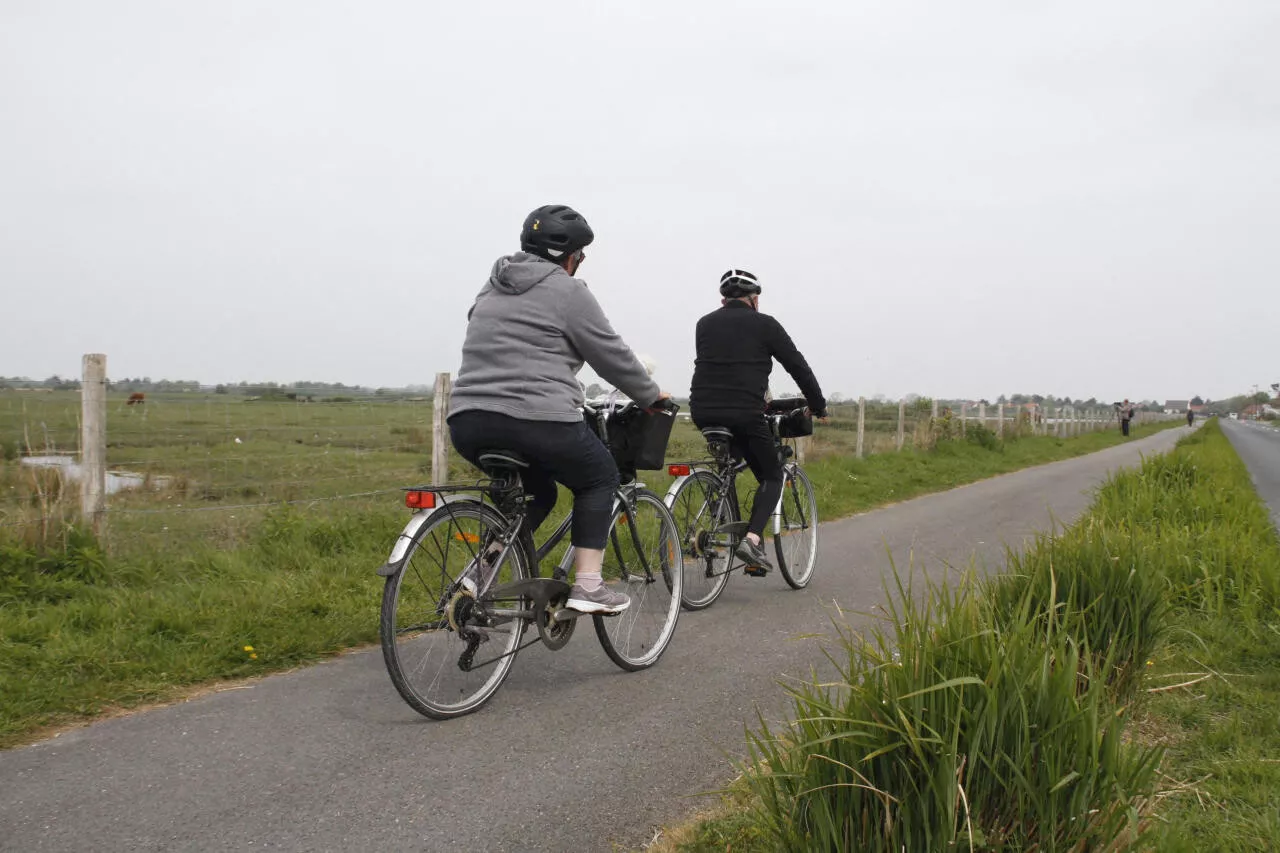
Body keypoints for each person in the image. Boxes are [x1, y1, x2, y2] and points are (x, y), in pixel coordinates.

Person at [448, 204, 670, 614]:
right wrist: (649, 395)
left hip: (467, 419)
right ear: (569, 256)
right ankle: (588, 585)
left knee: (538, 493)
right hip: (536, 418)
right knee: (600, 476)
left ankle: (479, 575)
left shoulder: (491, 287)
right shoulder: (569, 292)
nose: (580, 263)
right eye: (580, 255)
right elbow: (610, 353)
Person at [689, 269, 827, 575]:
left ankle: (732, 530)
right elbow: (797, 366)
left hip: (702, 410)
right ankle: (751, 538)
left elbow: (722, 367)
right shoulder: (765, 325)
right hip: (744, 412)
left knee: (731, 464)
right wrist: (818, 405)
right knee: (772, 474)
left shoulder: (704, 323)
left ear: (723, 300)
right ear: (755, 300)